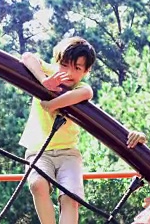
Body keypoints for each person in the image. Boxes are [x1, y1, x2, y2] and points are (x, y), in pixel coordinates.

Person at [19, 37, 97, 224]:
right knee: (37, 185)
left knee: (70, 196)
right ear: (56, 62)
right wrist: (44, 82)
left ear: (86, 71)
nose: (68, 73)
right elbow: (27, 57)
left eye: (77, 68)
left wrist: (52, 104)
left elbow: (87, 93)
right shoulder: (51, 74)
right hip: (38, 150)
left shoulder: (80, 87)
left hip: (68, 153)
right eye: (64, 65)